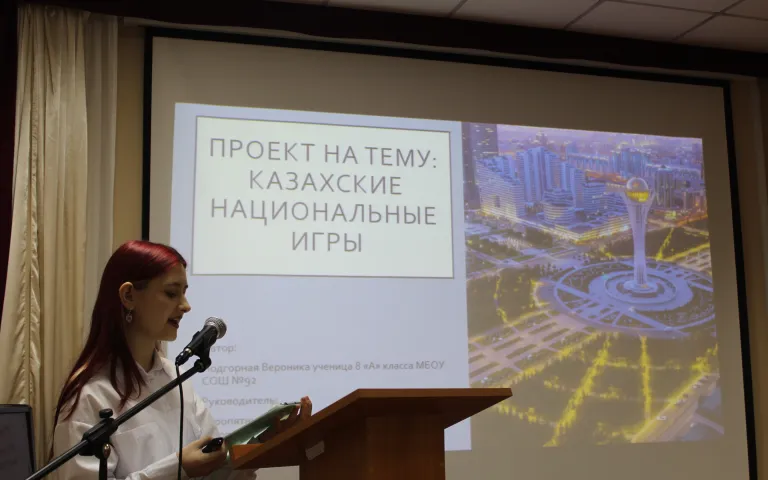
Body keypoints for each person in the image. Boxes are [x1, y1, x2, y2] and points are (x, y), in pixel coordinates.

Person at [51, 240, 312, 479]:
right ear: (128, 296)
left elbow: (214, 471)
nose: (186, 306)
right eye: (171, 293)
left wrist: (265, 442)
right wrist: (177, 468)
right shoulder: (90, 395)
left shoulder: (176, 379)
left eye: (184, 293)